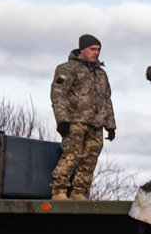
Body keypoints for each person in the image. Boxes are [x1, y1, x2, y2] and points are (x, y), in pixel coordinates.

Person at [50, 34, 116, 200]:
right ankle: (59, 190)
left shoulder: (101, 74)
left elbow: (106, 99)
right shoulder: (67, 68)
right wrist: (62, 120)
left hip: (96, 123)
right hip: (75, 121)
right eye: (93, 49)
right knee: (71, 155)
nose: (96, 52)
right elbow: (58, 94)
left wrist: (110, 124)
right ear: (82, 50)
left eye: (98, 49)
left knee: (90, 158)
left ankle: (79, 192)